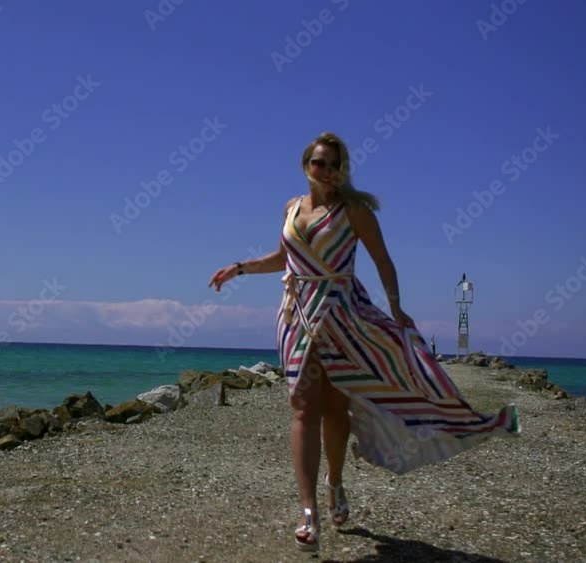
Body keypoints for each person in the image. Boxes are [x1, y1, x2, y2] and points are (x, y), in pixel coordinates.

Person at [207, 132, 520, 553]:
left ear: (342, 171)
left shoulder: (353, 210)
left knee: (336, 407)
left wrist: (396, 307)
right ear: (305, 165)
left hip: (343, 313)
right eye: (319, 162)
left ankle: (335, 483)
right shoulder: (290, 207)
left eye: (334, 165)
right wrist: (239, 268)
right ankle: (308, 514)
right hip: (296, 314)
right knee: (302, 407)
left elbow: (382, 260)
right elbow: (286, 258)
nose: (326, 171)